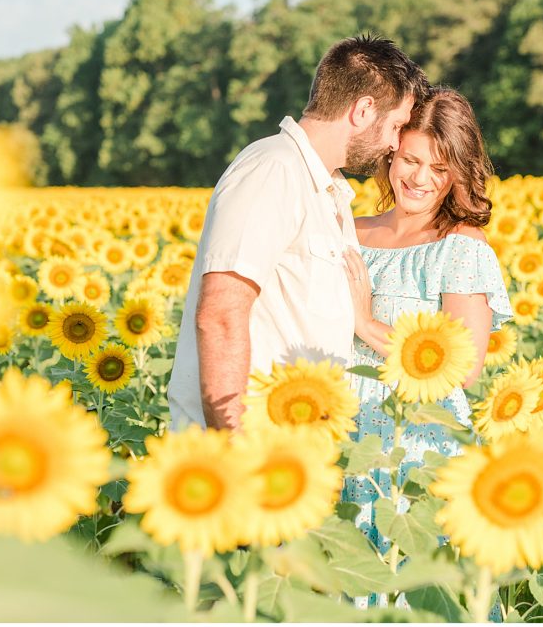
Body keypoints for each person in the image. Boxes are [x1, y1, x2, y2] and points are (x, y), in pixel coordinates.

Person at [166, 35, 429, 432]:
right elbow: (221, 314)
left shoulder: (329, 190)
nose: (394, 144)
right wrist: (233, 448)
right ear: (363, 110)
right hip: (250, 450)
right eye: (395, 127)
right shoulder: (274, 170)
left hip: (294, 449)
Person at [340, 87, 513, 611]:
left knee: (415, 597)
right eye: (410, 159)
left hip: (416, 449)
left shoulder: (459, 245)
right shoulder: (350, 230)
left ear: (459, 173)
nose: (418, 178)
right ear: (391, 151)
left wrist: (366, 322)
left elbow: (461, 369)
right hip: (345, 438)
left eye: (439, 168)